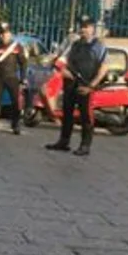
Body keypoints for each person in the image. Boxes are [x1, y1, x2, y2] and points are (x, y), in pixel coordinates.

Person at [46, 16, 108, 156]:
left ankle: (85, 145)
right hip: (70, 84)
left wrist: (91, 86)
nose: (83, 29)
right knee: (67, 114)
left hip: (86, 86)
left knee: (86, 116)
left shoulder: (99, 46)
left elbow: (103, 68)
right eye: (81, 26)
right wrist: (64, 71)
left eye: (86, 27)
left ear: (92, 28)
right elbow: (66, 62)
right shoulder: (75, 44)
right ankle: (64, 141)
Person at [0, 22, 28, 135]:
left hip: (12, 77)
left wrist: (23, 79)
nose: (4, 36)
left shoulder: (16, 47)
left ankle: (16, 125)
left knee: (16, 102)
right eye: (1, 34)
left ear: (10, 33)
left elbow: (23, 64)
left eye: (6, 33)